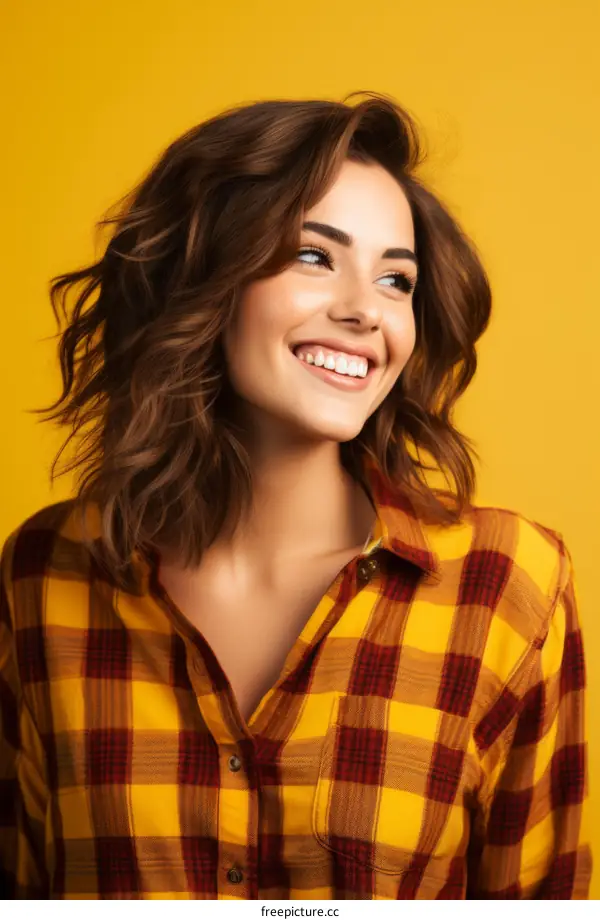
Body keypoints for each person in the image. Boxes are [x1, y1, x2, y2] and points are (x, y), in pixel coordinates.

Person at [0, 91, 591, 900]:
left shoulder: (506, 588)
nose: (364, 312)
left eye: (396, 279)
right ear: (204, 274)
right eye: (314, 257)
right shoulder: (45, 576)